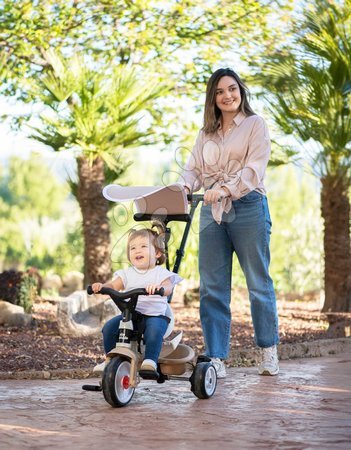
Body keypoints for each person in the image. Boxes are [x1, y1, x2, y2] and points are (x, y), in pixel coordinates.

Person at [180, 67, 279, 378]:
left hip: (248, 207)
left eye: (232, 89)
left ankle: (268, 351)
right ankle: (217, 358)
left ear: (241, 91)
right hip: (212, 211)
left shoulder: (254, 125)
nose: (227, 96)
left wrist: (225, 189)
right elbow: (193, 169)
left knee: (258, 283)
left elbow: (254, 169)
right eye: (220, 91)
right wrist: (184, 188)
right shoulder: (205, 133)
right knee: (211, 287)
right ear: (213, 97)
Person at [91, 223, 182, 376]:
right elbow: (113, 285)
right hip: (132, 316)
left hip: (156, 316)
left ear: (158, 253)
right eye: (133, 248)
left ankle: (150, 361)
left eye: (143, 246)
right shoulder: (127, 274)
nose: (137, 250)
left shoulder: (161, 273)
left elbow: (168, 288)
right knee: (109, 328)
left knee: (153, 331)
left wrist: (159, 288)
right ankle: (111, 360)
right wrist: (102, 287)